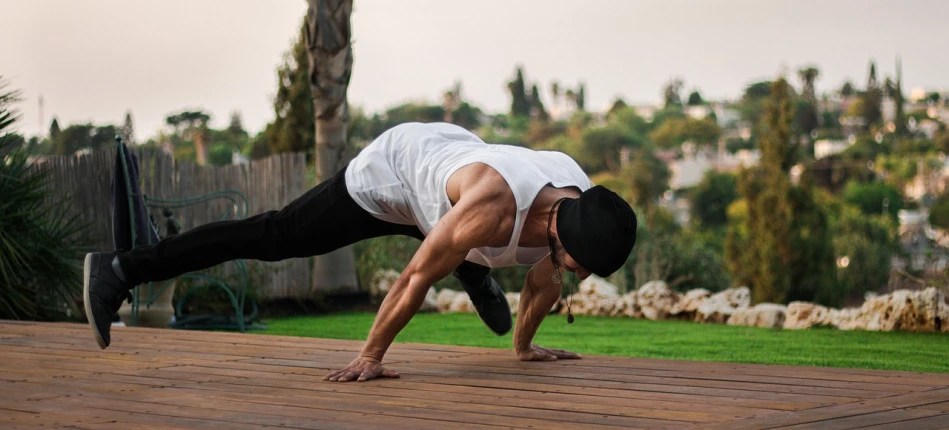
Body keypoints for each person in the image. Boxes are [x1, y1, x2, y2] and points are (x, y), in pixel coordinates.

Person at [83, 122, 637, 382]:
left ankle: (472, 269)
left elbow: (546, 277)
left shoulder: (581, 199)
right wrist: (371, 356)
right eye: (578, 263)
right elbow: (415, 279)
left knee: (462, 250)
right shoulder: (491, 207)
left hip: (453, 170)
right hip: (394, 174)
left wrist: (524, 347)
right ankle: (123, 267)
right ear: (559, 229)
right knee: (276, 236)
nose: (581, 272)